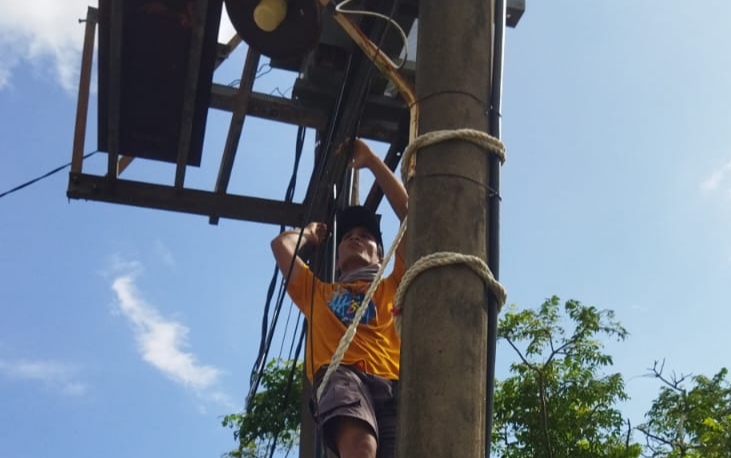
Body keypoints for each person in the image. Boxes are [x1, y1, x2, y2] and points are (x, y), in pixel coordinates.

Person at [271, 139, 407, 458]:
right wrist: (309, 233)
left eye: (366, 236)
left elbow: (412, 215)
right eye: (347, 237)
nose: (355, 238)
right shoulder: (318, 293)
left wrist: (372, 160)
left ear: (381, 255)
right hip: (343, 375)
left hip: (392, 385)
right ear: (336, 261)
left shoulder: (395, 284)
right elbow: (281, 247)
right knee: (361, 448)